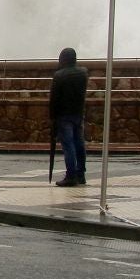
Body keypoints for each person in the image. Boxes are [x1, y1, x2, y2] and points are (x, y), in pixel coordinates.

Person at [49, 48, 89, 187]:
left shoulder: (59, 75)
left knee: (68, 145)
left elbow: (54, 99)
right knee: (79, 144)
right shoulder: (83, 73)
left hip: (63, 115)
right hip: (78, 112)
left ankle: (70, 175)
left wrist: (52, 117)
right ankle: (81, 174)